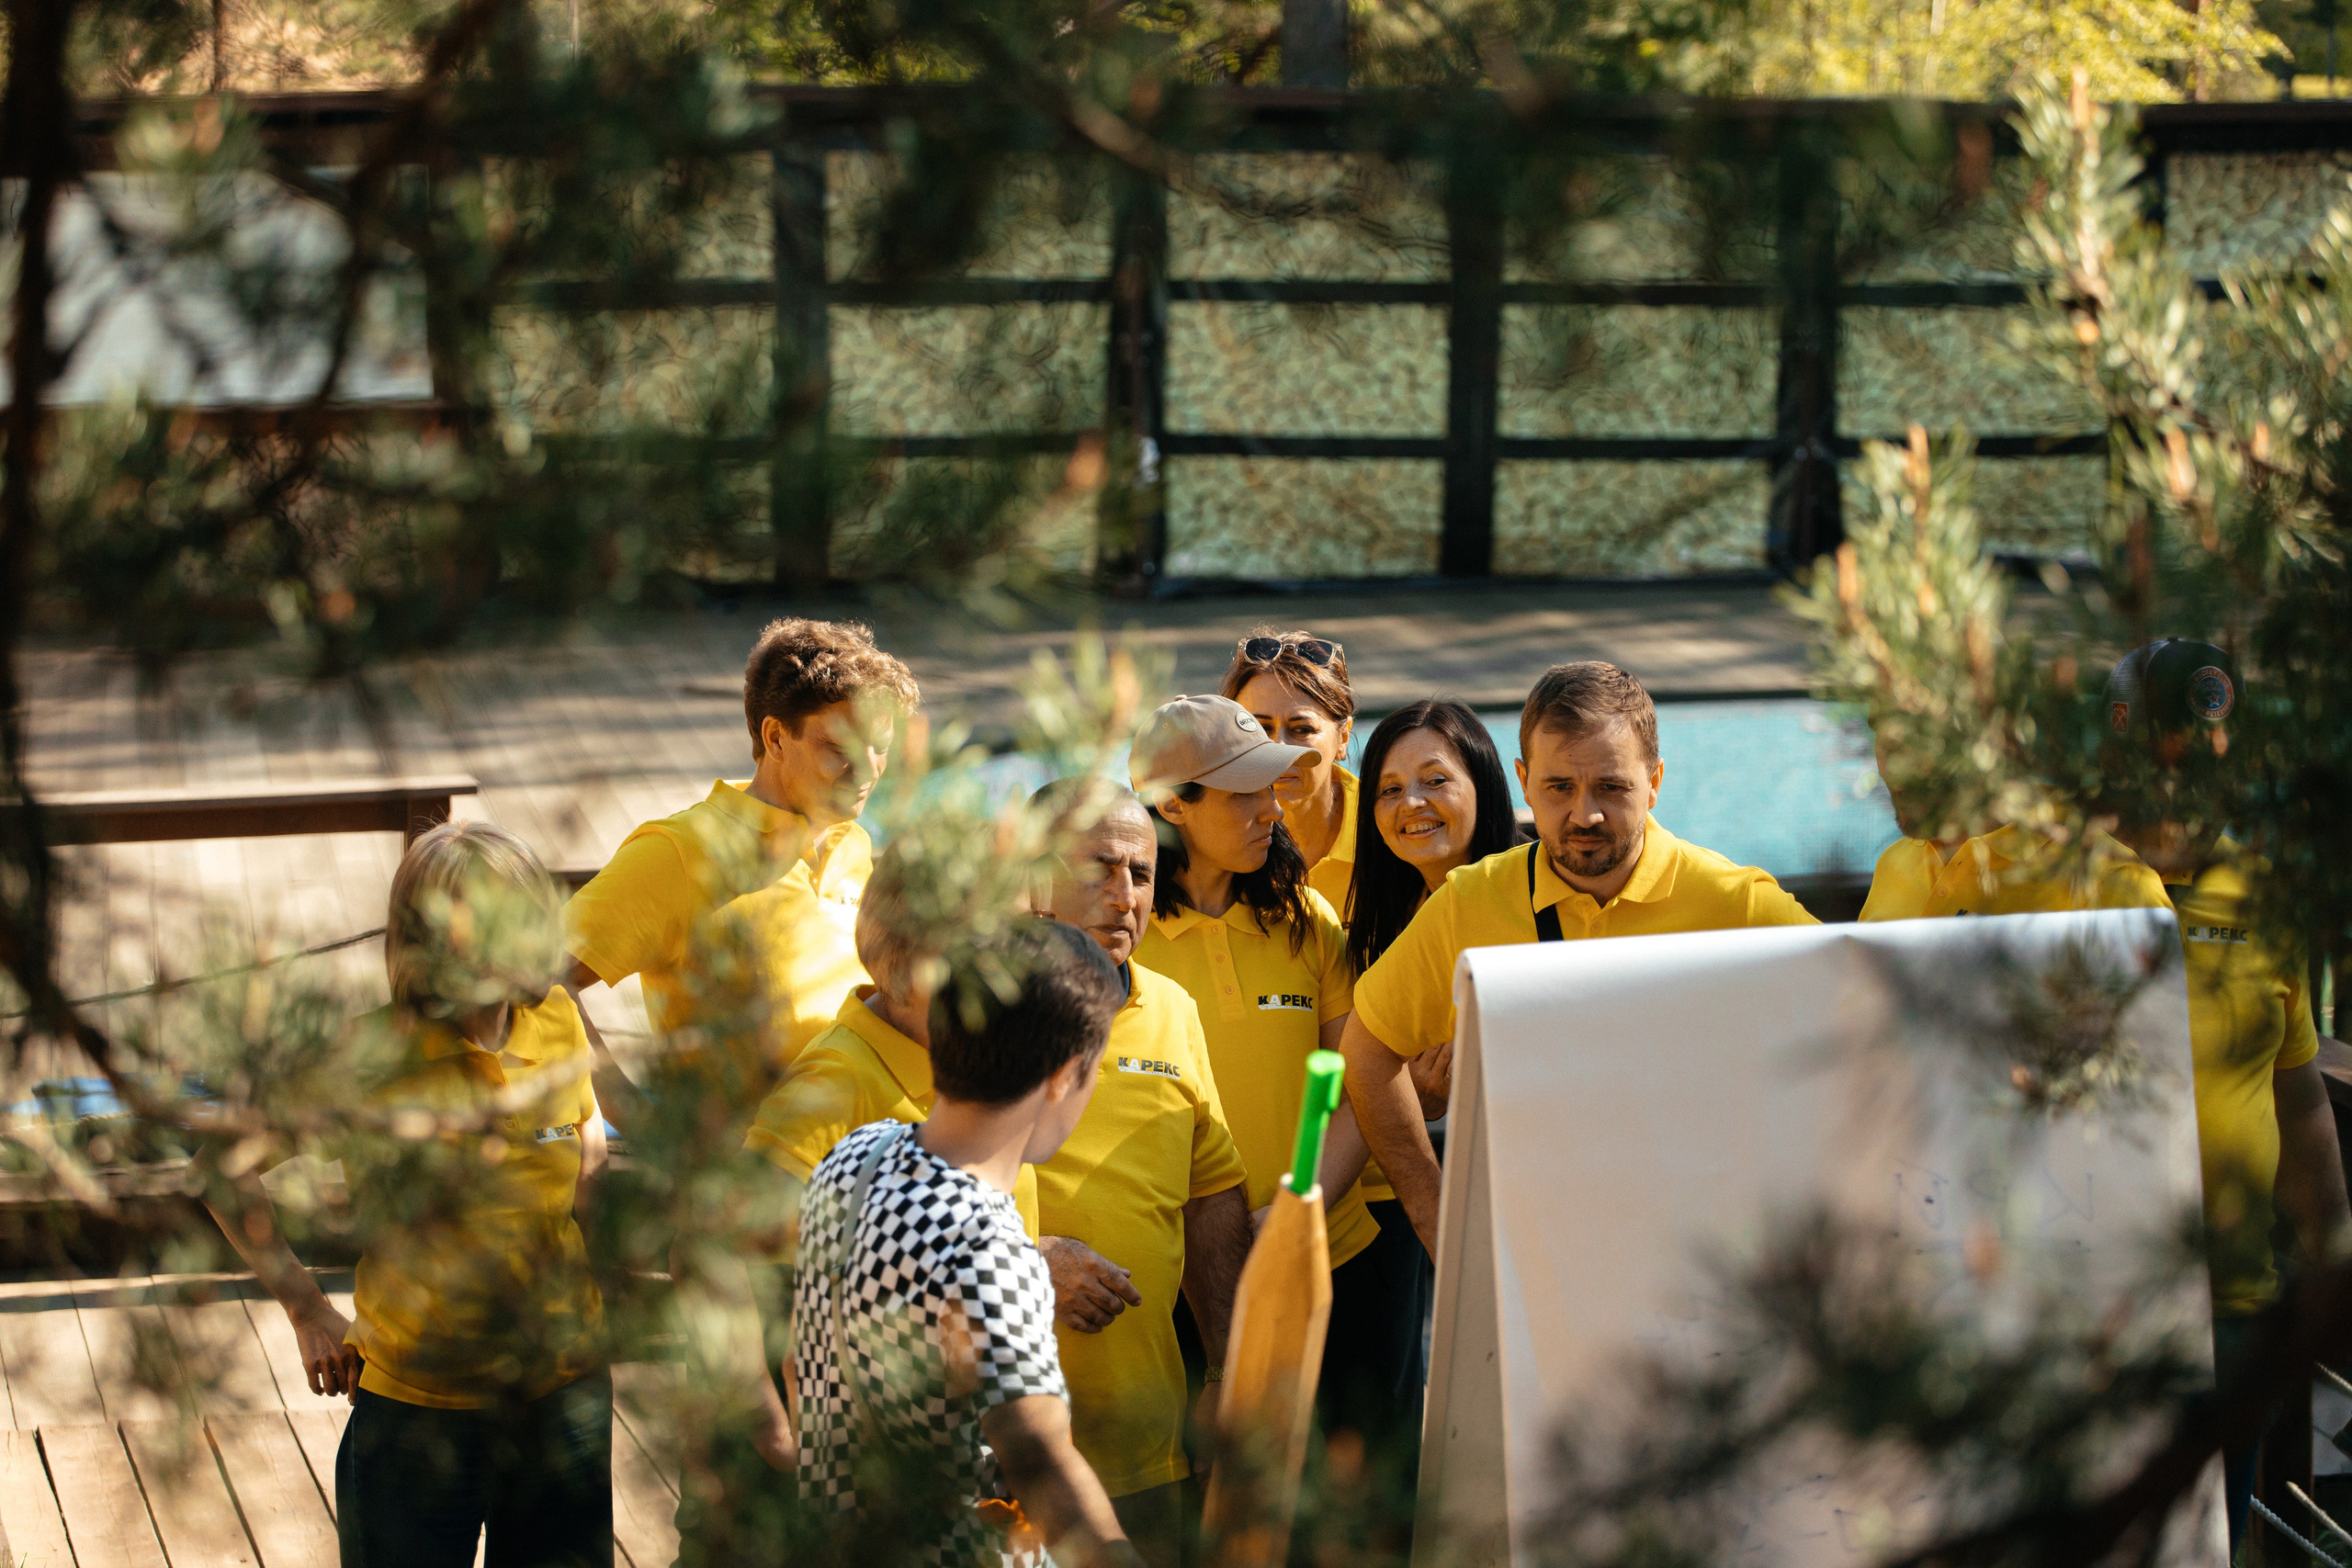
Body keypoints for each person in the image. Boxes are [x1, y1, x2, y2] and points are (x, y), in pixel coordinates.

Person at [209, 822, 611, 1568]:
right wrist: (306, 1307)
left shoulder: (557, 1018)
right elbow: (222, 1167)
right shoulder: (370, 1057)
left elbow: (586, 1142)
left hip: (563, 1399)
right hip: (418, 1414)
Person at [1341, 661, 1819, 1259]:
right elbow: (1364, 1050)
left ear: (1655, 781)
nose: (1585, 814)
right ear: (1522, 780)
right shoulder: (1469, 902)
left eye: (1612, 787)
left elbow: (1859, 1012)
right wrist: (1437, 1217)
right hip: (1539, 1255)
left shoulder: (1737, 900)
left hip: (1712, 1252)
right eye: (1559, 787)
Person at [786, 919, 1143, 1568]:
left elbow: (797, 1361)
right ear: (1064, 1076)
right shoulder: (991, 1251)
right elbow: (1042, 1468)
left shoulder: (852, 1156)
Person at [2101, 638, 2352, 1552]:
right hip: (2089, 1302)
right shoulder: (2049, 886)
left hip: (2232, 1306)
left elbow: (2298, 1100)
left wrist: (2333, 1256)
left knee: (2212, 1540)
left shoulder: (2263, 896)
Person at [1124, 695, 1397, 1450]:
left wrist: (1297, 1203)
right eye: (1245, 793)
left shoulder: (1307, 917)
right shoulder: (1120, 935)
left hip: (1328, 1257)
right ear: (1172, 805)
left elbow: (1359, 1087)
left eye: (1272, 788)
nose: (1272, 810)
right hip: (1178, 1285)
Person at [560, 617, 920, 1124]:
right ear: (775, 737)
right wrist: (631, 1112)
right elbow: (543, 975)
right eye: (839, 748)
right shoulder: (678, 853)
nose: (868, 769)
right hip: (743, 1185)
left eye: (879, 745)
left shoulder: (855, 846)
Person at [1025, 778, 1252, 1568]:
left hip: (1148, 1450)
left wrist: (1228, 1367)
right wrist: (1031, 1261)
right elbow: (909, 1192)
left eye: (1142, 873)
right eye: (1097, 869)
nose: (1124, 896)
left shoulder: (1174, 1008)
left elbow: (1212, 1191)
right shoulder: (972, 1008)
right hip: (1007, 1454)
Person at [1221, 629, 1357, 917]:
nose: (1278, 748)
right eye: (1258, 728)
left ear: (1343, 738)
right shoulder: (1203, 839)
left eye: (1302, 730)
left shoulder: (1390, 829)